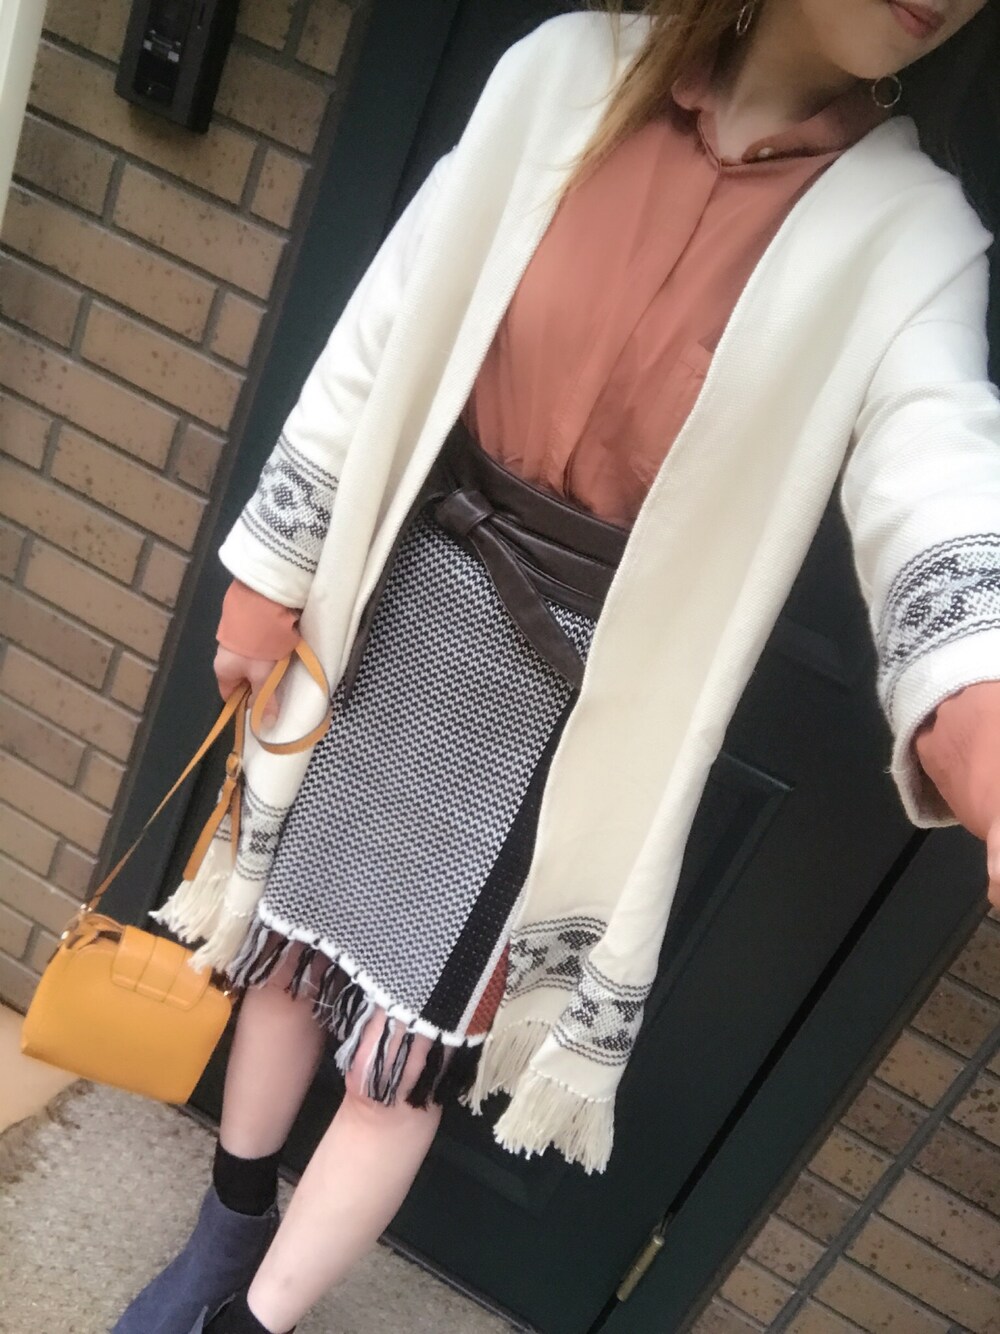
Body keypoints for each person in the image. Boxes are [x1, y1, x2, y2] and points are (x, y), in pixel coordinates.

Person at [112, 2, 1000, 1332]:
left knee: (405, 1054)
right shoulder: (567, 73)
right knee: (288, 951)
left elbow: (940, 478)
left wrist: (979, 723)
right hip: (402, 597)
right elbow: (385, 322)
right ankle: (224, 1231)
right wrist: (272, 569)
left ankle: (250, 1323)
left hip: (583, 711)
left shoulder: (912, 237)